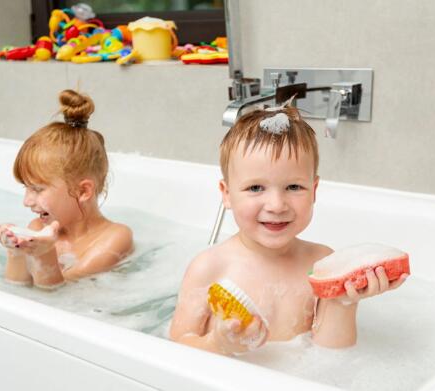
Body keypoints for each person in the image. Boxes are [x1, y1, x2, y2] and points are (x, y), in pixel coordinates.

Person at [169, 106, 408, 355]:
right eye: (255, 188)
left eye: (293, 187)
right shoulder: (209, 267)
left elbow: (330, 354)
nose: (276, 205)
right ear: (226, 194)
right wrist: (216, 345)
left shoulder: (322, 263)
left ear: (314, 190)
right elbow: (177, 345)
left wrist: (343, 303)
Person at [0, 90, 133, 290]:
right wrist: (16, 251)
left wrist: (43, 254)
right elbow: (16, 288)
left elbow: (59, 297)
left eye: (37, 189)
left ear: (83, 191)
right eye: (26, 188)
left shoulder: (115, 237)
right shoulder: (37, 227)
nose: (26, 201)